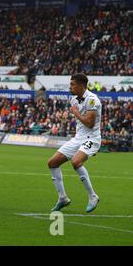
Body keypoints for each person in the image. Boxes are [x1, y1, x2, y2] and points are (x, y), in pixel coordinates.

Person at [47, 73, 101, 213]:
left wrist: (76, 113)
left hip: (91, 138)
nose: (70, 87)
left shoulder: (92, 100)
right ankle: (63, 198)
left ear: (82, 85)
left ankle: (93, 196)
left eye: (72, 84)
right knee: (52, 163)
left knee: (76, 162)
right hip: (78, 138)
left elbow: (90, 123)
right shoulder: (73, 100)